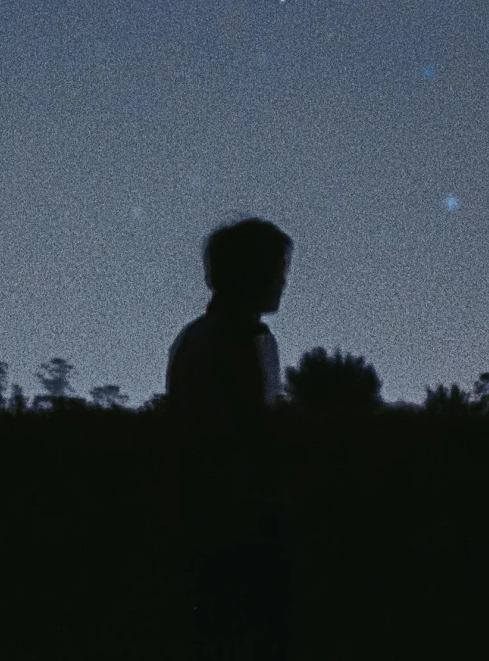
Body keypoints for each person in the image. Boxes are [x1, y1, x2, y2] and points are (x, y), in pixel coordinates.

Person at [164, 217, 295, 656]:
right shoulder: (214, 342)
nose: (282, 280)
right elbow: (215, 438)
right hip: (227, 533)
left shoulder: (242, 339)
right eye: (276, 268)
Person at [165, 217, 292, 419]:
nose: (283, 282)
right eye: (278, 270)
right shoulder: (226, 338)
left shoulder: (203, 335)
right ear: (252, 273)